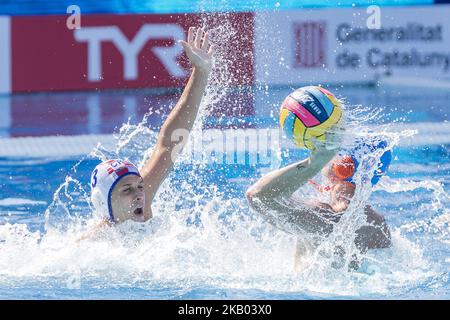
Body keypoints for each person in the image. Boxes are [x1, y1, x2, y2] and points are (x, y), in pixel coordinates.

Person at [88, 26, 214, 227]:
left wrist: (201, 72)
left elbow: (169, 144)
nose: (140, 195)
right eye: (127, 190)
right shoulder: (92, 246)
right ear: (104, 203)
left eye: (139, 186)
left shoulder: (143, 207)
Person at [245, 136, 392, 269]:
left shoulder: (325, 217)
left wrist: (313, 163)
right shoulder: (379, 225)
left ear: (342, 168)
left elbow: (258, 196)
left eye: (331, 156)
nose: (325, 163)